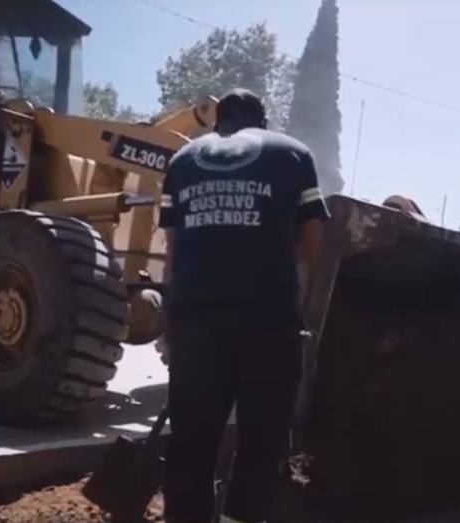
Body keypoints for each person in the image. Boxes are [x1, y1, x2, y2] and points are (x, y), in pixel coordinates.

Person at [159, 88, 329, 523]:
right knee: (261, 443)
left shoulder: (181, 162)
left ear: (218, 122)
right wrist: (303, 312)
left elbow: (174, 249)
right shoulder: (294, 154)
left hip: (195, 320)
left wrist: (172, 320)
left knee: (191, 443)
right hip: (268, 318)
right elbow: (314, 242)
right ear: (263, 122)